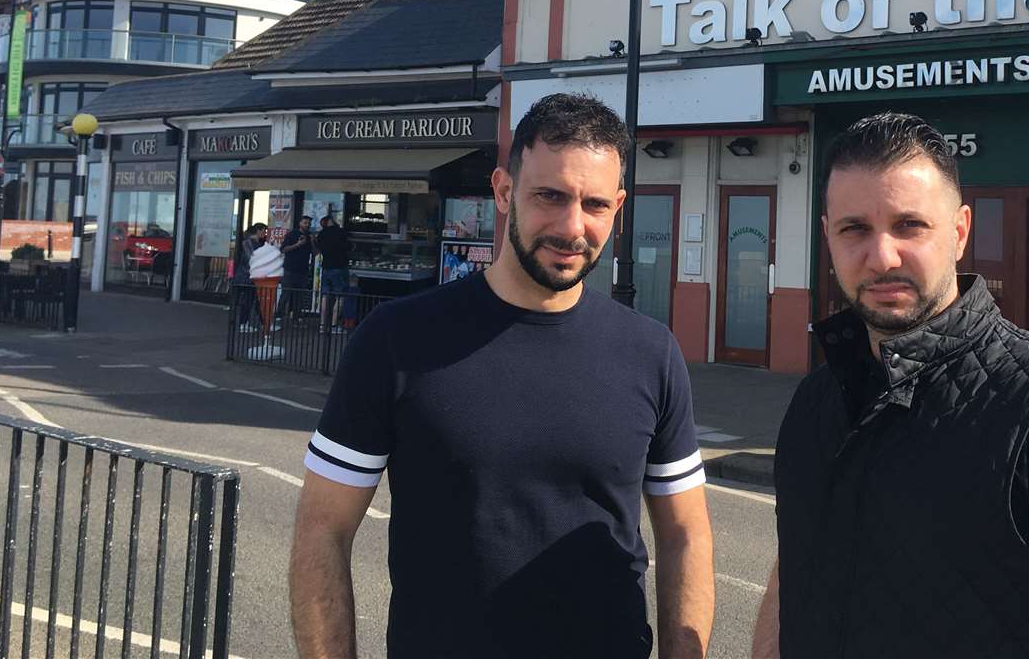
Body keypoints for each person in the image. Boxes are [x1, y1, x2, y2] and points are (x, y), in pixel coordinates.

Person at [752, 112, 1029, 659]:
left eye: (910, 226)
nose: (882, 256)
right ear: (828, 236)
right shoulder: (816, 400)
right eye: (855, 229)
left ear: (960, 231)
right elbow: (793, 569)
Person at [289, 94, 714, 658]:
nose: (571, 226)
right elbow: (322, 530)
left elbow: (686, 535)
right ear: (505, 192)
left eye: (593, 204)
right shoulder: (397, 340)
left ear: (617, 207)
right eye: (550, 196)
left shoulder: (650, 352)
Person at [312, 215, 350, 333]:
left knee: (325, 296)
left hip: (326, 267)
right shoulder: (340, 232)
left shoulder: (322, 234)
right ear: (331, 221)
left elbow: (318, 248)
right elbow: (348, 246)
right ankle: (333, 325)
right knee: (340, 296)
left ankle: (322, 325)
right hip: (339, 267)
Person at [280, 216, 316, 319]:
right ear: (300, 223)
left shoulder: (309, 236)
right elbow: (283, 249)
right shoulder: (292, 234)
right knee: (285, 294)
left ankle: (296, 316)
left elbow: (315, 253)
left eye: (309, 223)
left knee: (299, 296)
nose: (307, 225)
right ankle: (279, 316)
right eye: (305, 223)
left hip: (303, 270)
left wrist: (313, 241)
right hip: (290, 269)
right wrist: (298, 244)